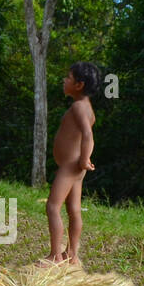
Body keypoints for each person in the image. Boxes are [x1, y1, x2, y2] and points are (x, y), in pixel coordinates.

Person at [43, 61, 100, 267]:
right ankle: (72, 255)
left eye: (68, 77)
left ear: (79, 85)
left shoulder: (78, 107)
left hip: (70, 166)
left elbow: (88, 134)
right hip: (75, 166)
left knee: (52, 207)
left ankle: (55, 256)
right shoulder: (86, 107)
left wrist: (84, 158)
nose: (64, 80)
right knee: (73, 209)